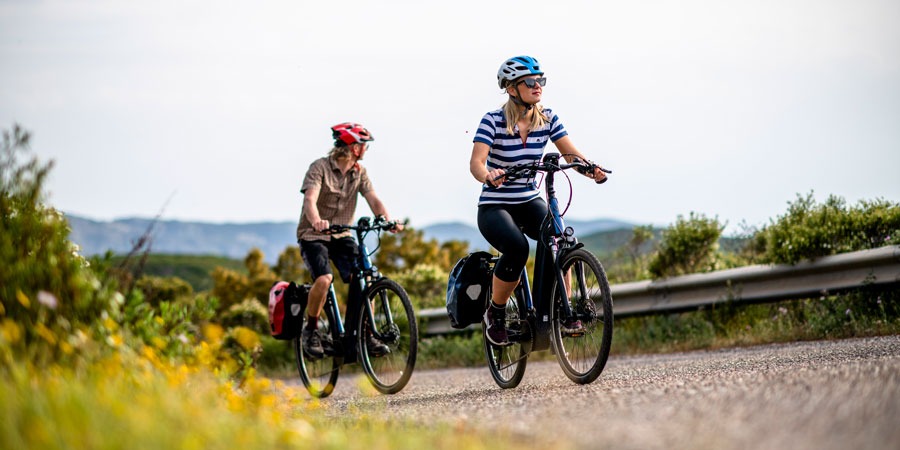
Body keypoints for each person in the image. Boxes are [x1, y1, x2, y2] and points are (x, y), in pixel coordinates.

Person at [469, 55, 609, 346]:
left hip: (528, 199)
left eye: (541, 81)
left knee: (557, 238)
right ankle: (495, 313)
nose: (538, 86)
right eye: (530, 82)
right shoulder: (492, 121)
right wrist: (488, 175)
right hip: (495, 205)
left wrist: (590, 169)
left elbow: (571, 155)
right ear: (511, 89)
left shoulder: (548, 118)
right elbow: (476, 163)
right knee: (518, 249)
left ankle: (562, 309)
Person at [297, 122, 402, 358]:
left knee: (363, 277)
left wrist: (386, 219)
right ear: (353, 147)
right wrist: (316, 221)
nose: (365, 149)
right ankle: (311, 329)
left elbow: (373, 198)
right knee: (324, 279)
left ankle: (365, 333)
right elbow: (310, 201)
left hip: (342, 234)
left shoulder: (360, 172)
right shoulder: (319, 168)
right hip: (314, 235)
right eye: (363, 144)